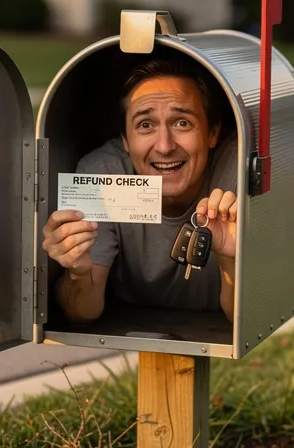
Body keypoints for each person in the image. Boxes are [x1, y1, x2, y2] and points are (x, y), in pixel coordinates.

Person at [41, 54, 238, 326]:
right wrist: (78, 273)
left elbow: (242, 321)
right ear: (125, 140)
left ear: (212, 133)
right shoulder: (101, 174)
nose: (165, 146)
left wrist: (229, 261)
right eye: (146, 125)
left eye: (182, 123)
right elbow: (83, 312)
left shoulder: (238, 172)